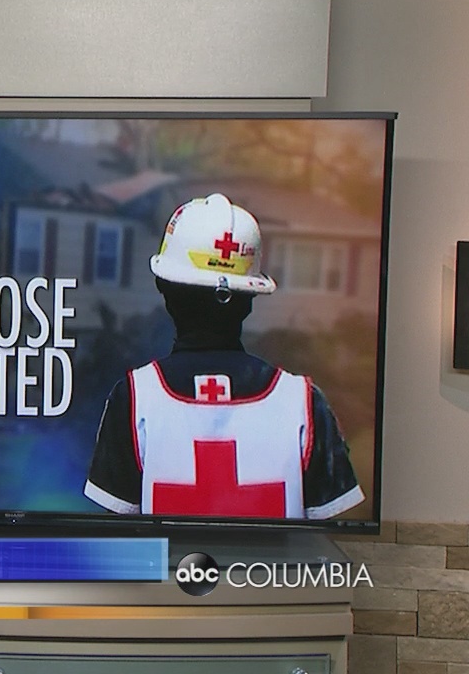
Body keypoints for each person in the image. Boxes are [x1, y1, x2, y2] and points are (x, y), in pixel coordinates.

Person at [83, 192, 363, 520]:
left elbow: (119, 531)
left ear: (164, 289)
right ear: (250, 298)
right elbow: (332, 534)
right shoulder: (304, 403)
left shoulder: (134, 399)